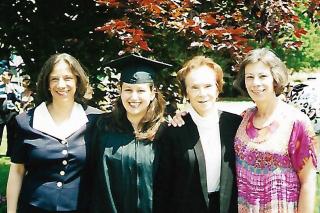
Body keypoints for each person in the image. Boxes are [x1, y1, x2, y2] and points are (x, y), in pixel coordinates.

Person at [6, 53, 101, 213]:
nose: (61, 85)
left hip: (81, 207)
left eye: (68, 78)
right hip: (33, 207)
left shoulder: (95, 120)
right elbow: (17, 171)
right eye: (54, 79)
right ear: (47, 84)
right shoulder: (25, 121)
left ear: (77, 81)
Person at [154, 56, 242, 213]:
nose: (202, 93)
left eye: (208, 86)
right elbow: (163, 186)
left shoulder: (235, 124)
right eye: (194, 87)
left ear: (217, 88)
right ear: (186, 93)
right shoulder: (174, 131)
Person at [233, 48, 317, 213]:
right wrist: (184, 116)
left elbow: (308, 180)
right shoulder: (243, 118)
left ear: (275, 79)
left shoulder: (296, 122)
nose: (255, 83)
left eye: (262, 76)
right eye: (250, 77)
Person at [91, 54, 171, 213]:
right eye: (128, 89)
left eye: (141, 90)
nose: (134, 97)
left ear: (152, 92)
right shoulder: (101, 128)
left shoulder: (165, 133)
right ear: (120, 91)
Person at [0, 69, 23, 156]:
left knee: (12, 134)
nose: (2, 76)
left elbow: (20, 99)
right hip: (1, 112)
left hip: (11, 112)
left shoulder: (15, 86)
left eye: (4, 74)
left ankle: (10, 152)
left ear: (9, 76)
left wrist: (13, 92)